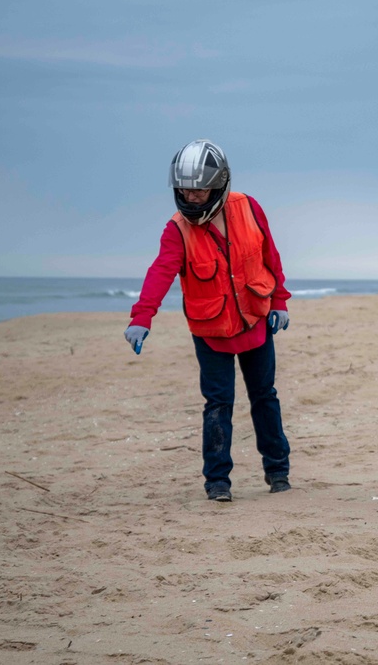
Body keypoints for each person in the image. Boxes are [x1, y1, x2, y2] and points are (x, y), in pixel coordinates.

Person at [124, 139, 292, 502]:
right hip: (211, 330)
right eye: (184, 189)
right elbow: (161, 272)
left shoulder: (248, 208)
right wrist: (142, 317)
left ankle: (278, 471)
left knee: (265, 396)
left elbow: (269, 254)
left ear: (219, 184)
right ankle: (218, 482)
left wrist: (279, 300)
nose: (191, 196)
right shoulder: (177, 229)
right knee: (218, 405)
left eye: (199, 189)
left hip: (256, 321)